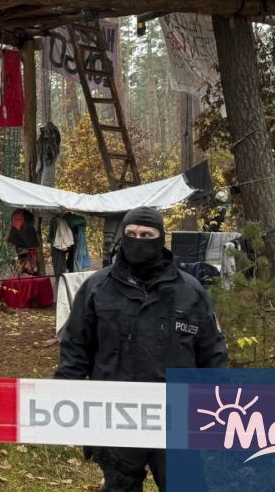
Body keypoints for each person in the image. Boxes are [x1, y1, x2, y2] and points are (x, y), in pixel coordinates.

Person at [55, 206, 227, 491]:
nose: (138, 240)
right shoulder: (97, 288)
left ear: (161, 239)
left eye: (147, 234)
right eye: (131, 234)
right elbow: (75, 350)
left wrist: (216, 411)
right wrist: (64, 403)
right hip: (115, 415)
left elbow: (212, 355)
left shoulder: (190, 291)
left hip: (176, 417)